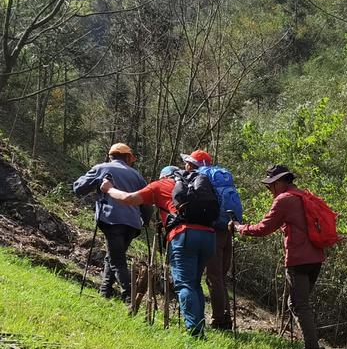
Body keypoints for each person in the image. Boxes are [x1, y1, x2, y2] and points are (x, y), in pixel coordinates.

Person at [100, 163, 217, 336]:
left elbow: (128, 199)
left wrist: (108, 189)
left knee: (185, 284)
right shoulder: (194, 183)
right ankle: (199, 327)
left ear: (163, 176)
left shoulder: (159, 185)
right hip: (209, 235)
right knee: (194, 283)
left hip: (184, 235)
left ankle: (195, 333)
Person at [234, 166, 326, 349]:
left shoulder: (284, 199)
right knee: (298, 303)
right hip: (316, 257)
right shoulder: (303, 195)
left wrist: (239, 228)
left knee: (299, 304)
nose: (270, 190)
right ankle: (312, 347)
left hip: (299, 258)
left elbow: (263, 228)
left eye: (270, 186)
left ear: (278, 182)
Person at [71, 142, 148, 303]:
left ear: (110, 156)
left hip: (112, 220)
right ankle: (105, 291)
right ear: (127, 157)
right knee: (113, 256)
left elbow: (78, 188)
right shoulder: (137, 176)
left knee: (116, 260)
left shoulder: (102, 168)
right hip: (133, 224)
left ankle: (129, 296)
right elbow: (147, 203)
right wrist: (145, 221)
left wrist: (98, 186)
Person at [184, 149, 240, 331]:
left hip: (213, 230)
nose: (186, 166)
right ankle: (225, 317)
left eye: (188, 163)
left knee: (213, 277)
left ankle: (218, 319)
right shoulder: (221, 176)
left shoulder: (200, 177)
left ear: (193, 164)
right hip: (228, 227)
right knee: (221, 277)